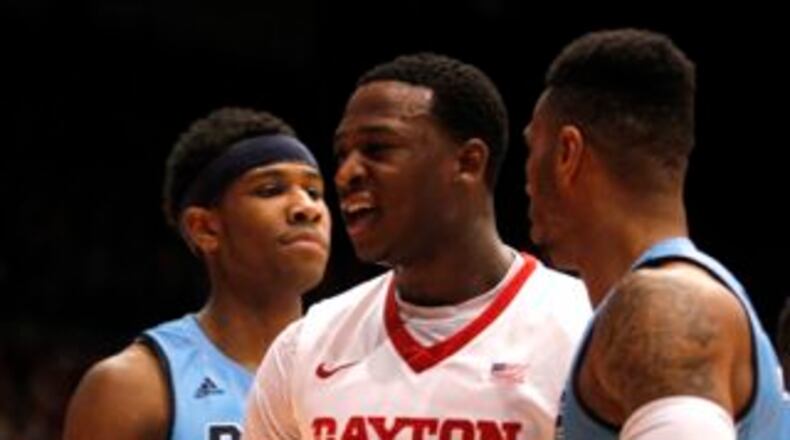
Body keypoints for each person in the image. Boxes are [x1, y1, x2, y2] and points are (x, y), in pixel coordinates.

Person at [243, 52, 591, 440]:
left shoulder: (583, 328)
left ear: (468, 162)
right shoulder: (305, 346)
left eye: (377, 149)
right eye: (342, 154)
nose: (346, 174)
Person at [522, 28, 788, 439]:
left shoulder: (665, 308)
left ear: (566, 154)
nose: (525, 180)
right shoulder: (664, 299)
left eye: (531, 149)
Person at [63, 107, 331, 440]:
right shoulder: (135, 386)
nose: (306, 207)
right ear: (205, 228)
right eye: (270, 190)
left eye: (315, 192)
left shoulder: (368, 375)